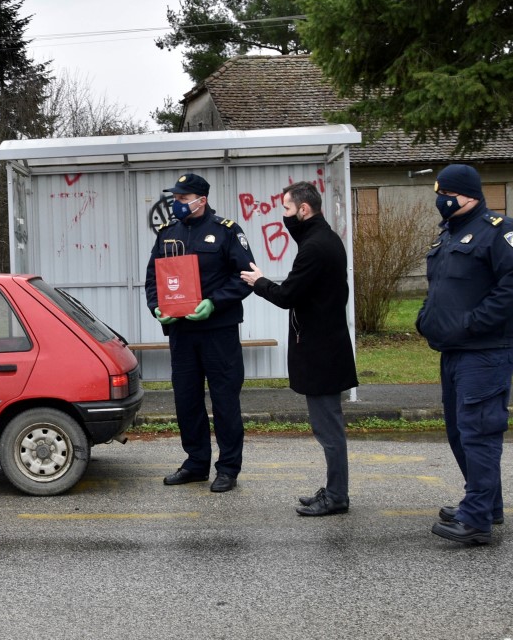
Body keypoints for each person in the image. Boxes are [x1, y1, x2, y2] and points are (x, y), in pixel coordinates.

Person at [416, 164, 513, 545]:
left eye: (446, 194)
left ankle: (477, 520)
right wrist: (425, 319)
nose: (441, 200)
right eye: (439, 194)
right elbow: (439, 289)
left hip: (485, 351)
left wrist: (473, 323)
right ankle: (486, 503)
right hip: (454, 350)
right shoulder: (448, 235)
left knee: (479, 432)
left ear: (468, 195)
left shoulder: (500, 230)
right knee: (458, 432)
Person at [240, 181, 358, 516]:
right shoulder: (323, 239)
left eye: (287, 209)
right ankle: (335, 490)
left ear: (303, 209)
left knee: (328, 429)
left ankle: (337, 496)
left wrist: (259, 282)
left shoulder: (315, 247)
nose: (284, 216)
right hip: (325, 347)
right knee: (328, 427)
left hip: (322, 352)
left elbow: (287, 295)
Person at [145, 172, 255, 492]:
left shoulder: (226, 231)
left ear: (201, 200)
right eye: (175, 198)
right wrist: (156, 307)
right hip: (182, 332)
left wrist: (214, 302)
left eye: (182, 198)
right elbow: (153, 277)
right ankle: (196, 463)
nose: (176, 203)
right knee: (187, 400)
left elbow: (245, 276)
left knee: (224, 401)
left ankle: (228, 468)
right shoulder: (168, 232)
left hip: (218, 330)